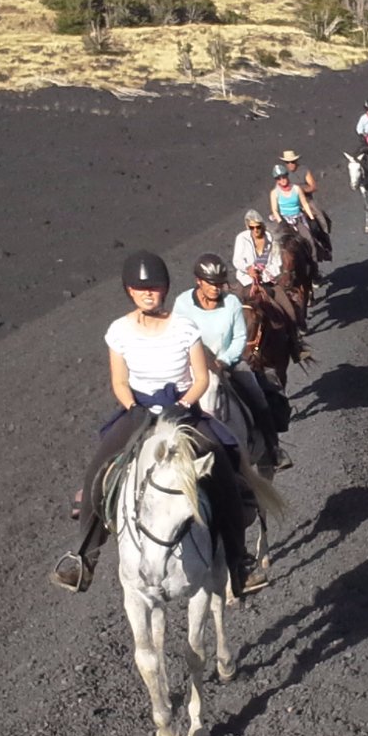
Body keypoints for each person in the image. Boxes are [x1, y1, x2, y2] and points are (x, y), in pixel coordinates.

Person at [51, 250, 263, 596]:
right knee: (97, 470)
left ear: (165, 290)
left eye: (156, 287)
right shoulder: (118, 331)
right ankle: (84, 559)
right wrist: (134, 406)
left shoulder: (184, 328)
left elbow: (200, 377)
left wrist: (182, 404)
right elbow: (119, 381)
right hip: (139, 410)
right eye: (140, 288)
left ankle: (239, 563)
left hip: (182, 409)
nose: (149, 293)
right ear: (129, 291)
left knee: (222, 466)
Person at [173, 253, 285, 470]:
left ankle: (273, 448)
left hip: (229, 364)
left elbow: (239, 338)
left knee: (257, 396)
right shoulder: (183, 304)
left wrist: (223, 362)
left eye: (220, 284)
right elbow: (176, 336)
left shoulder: (232, 302)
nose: (216, 288)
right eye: (211, 284)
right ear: (198, 281)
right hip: (191, 368)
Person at [276, 149, 333, 261]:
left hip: (306, 201)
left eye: (292, 162)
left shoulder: (304, 170)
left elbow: (313, 186)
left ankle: (325, 245)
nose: (290, 164)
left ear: (296, 161)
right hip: (289, 204)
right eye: (287, 162)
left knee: (320, 219)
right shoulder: (282, 175)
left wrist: (300, 189)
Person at [233, 209, 282, 293]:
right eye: (252, 227)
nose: (255, 230)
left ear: (262, 226)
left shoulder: (271, 238)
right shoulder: (242, 238)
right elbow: (237, 260)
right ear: (248, 226)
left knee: (286, 305)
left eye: (258, 226)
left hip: (269, 281)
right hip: (246, 280)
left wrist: (265, 273)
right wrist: (248, 269)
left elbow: (277, 262)